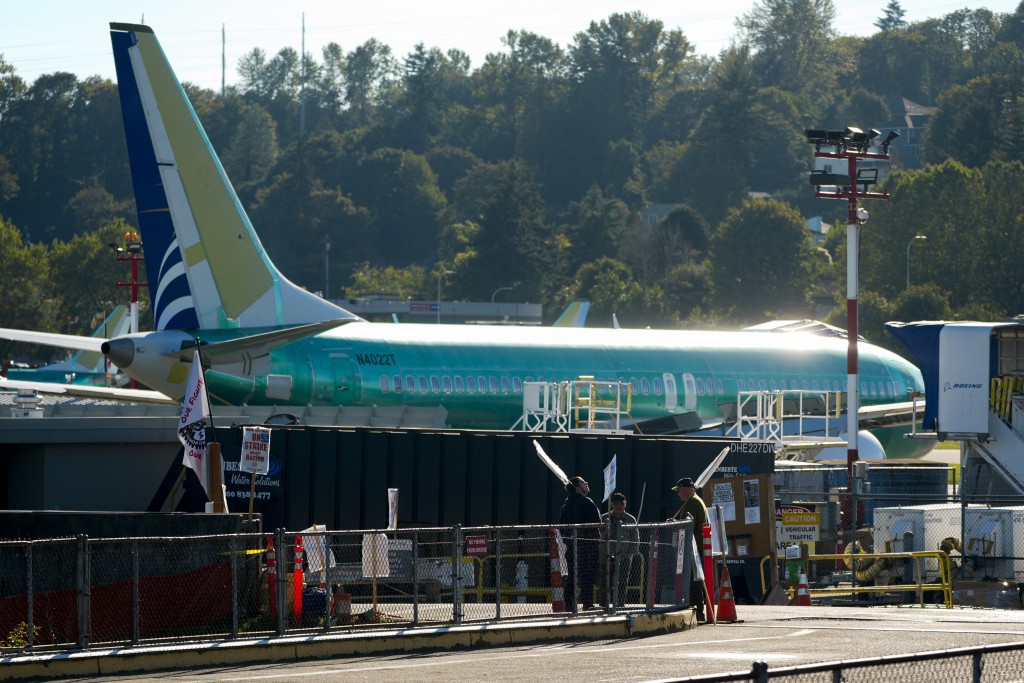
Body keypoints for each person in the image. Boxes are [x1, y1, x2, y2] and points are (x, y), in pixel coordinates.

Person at [559, 475, 601, 612]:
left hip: (572, 545)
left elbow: (562, 529)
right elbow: (595, 524)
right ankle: (587, 603)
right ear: (577, 487)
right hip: (588, 545)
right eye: (584, 482)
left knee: (572, 575)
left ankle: (569, 604)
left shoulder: (565, 506)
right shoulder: (585, 502)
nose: (587, 483)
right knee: (587, 575)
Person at [672, 477, 708, 621]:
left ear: (687, 489)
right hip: (696, 549)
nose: (678, 494)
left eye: (680, 490)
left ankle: (697, 611)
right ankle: (695, 609)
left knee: (694, 582)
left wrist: (675, 524)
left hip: (694, 550)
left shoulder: (692, 502)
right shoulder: (695, 500)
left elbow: (687, 526)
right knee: (695, 581)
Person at [599, 492, 640, 608]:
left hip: (624, 556)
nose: (618, 506)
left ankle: (620, 604)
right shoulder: (604, 518)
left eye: (621, 503)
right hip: (606, 556)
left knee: (622, 582)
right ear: (611, 504)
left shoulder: (631, 519)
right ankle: (603, 605)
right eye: (616, 503)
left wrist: (630, 554)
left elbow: (635, 539)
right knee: (605, 582)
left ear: (625, 504)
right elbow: (598, 537)